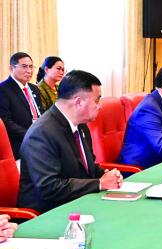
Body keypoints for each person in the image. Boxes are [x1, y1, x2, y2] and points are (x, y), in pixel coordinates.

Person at [17, 70, 123, 214]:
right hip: (47, 214)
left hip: (78, 203)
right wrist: (99, 183)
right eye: (97, 100)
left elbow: (87, 168)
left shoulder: (81, 125)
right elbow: (49, 187)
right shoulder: (41, 134)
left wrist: (107, 174)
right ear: (78, 102)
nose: (100, 106)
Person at [0, 52, 44, 159]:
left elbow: (41, 112)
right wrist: (30, 135)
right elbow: (6, 121)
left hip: (39, 142)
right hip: (18, 145)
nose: (29, 71)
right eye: (24, 66)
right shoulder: (3, 89)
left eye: (31, 67)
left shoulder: (34, 88)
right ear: (11, 68)